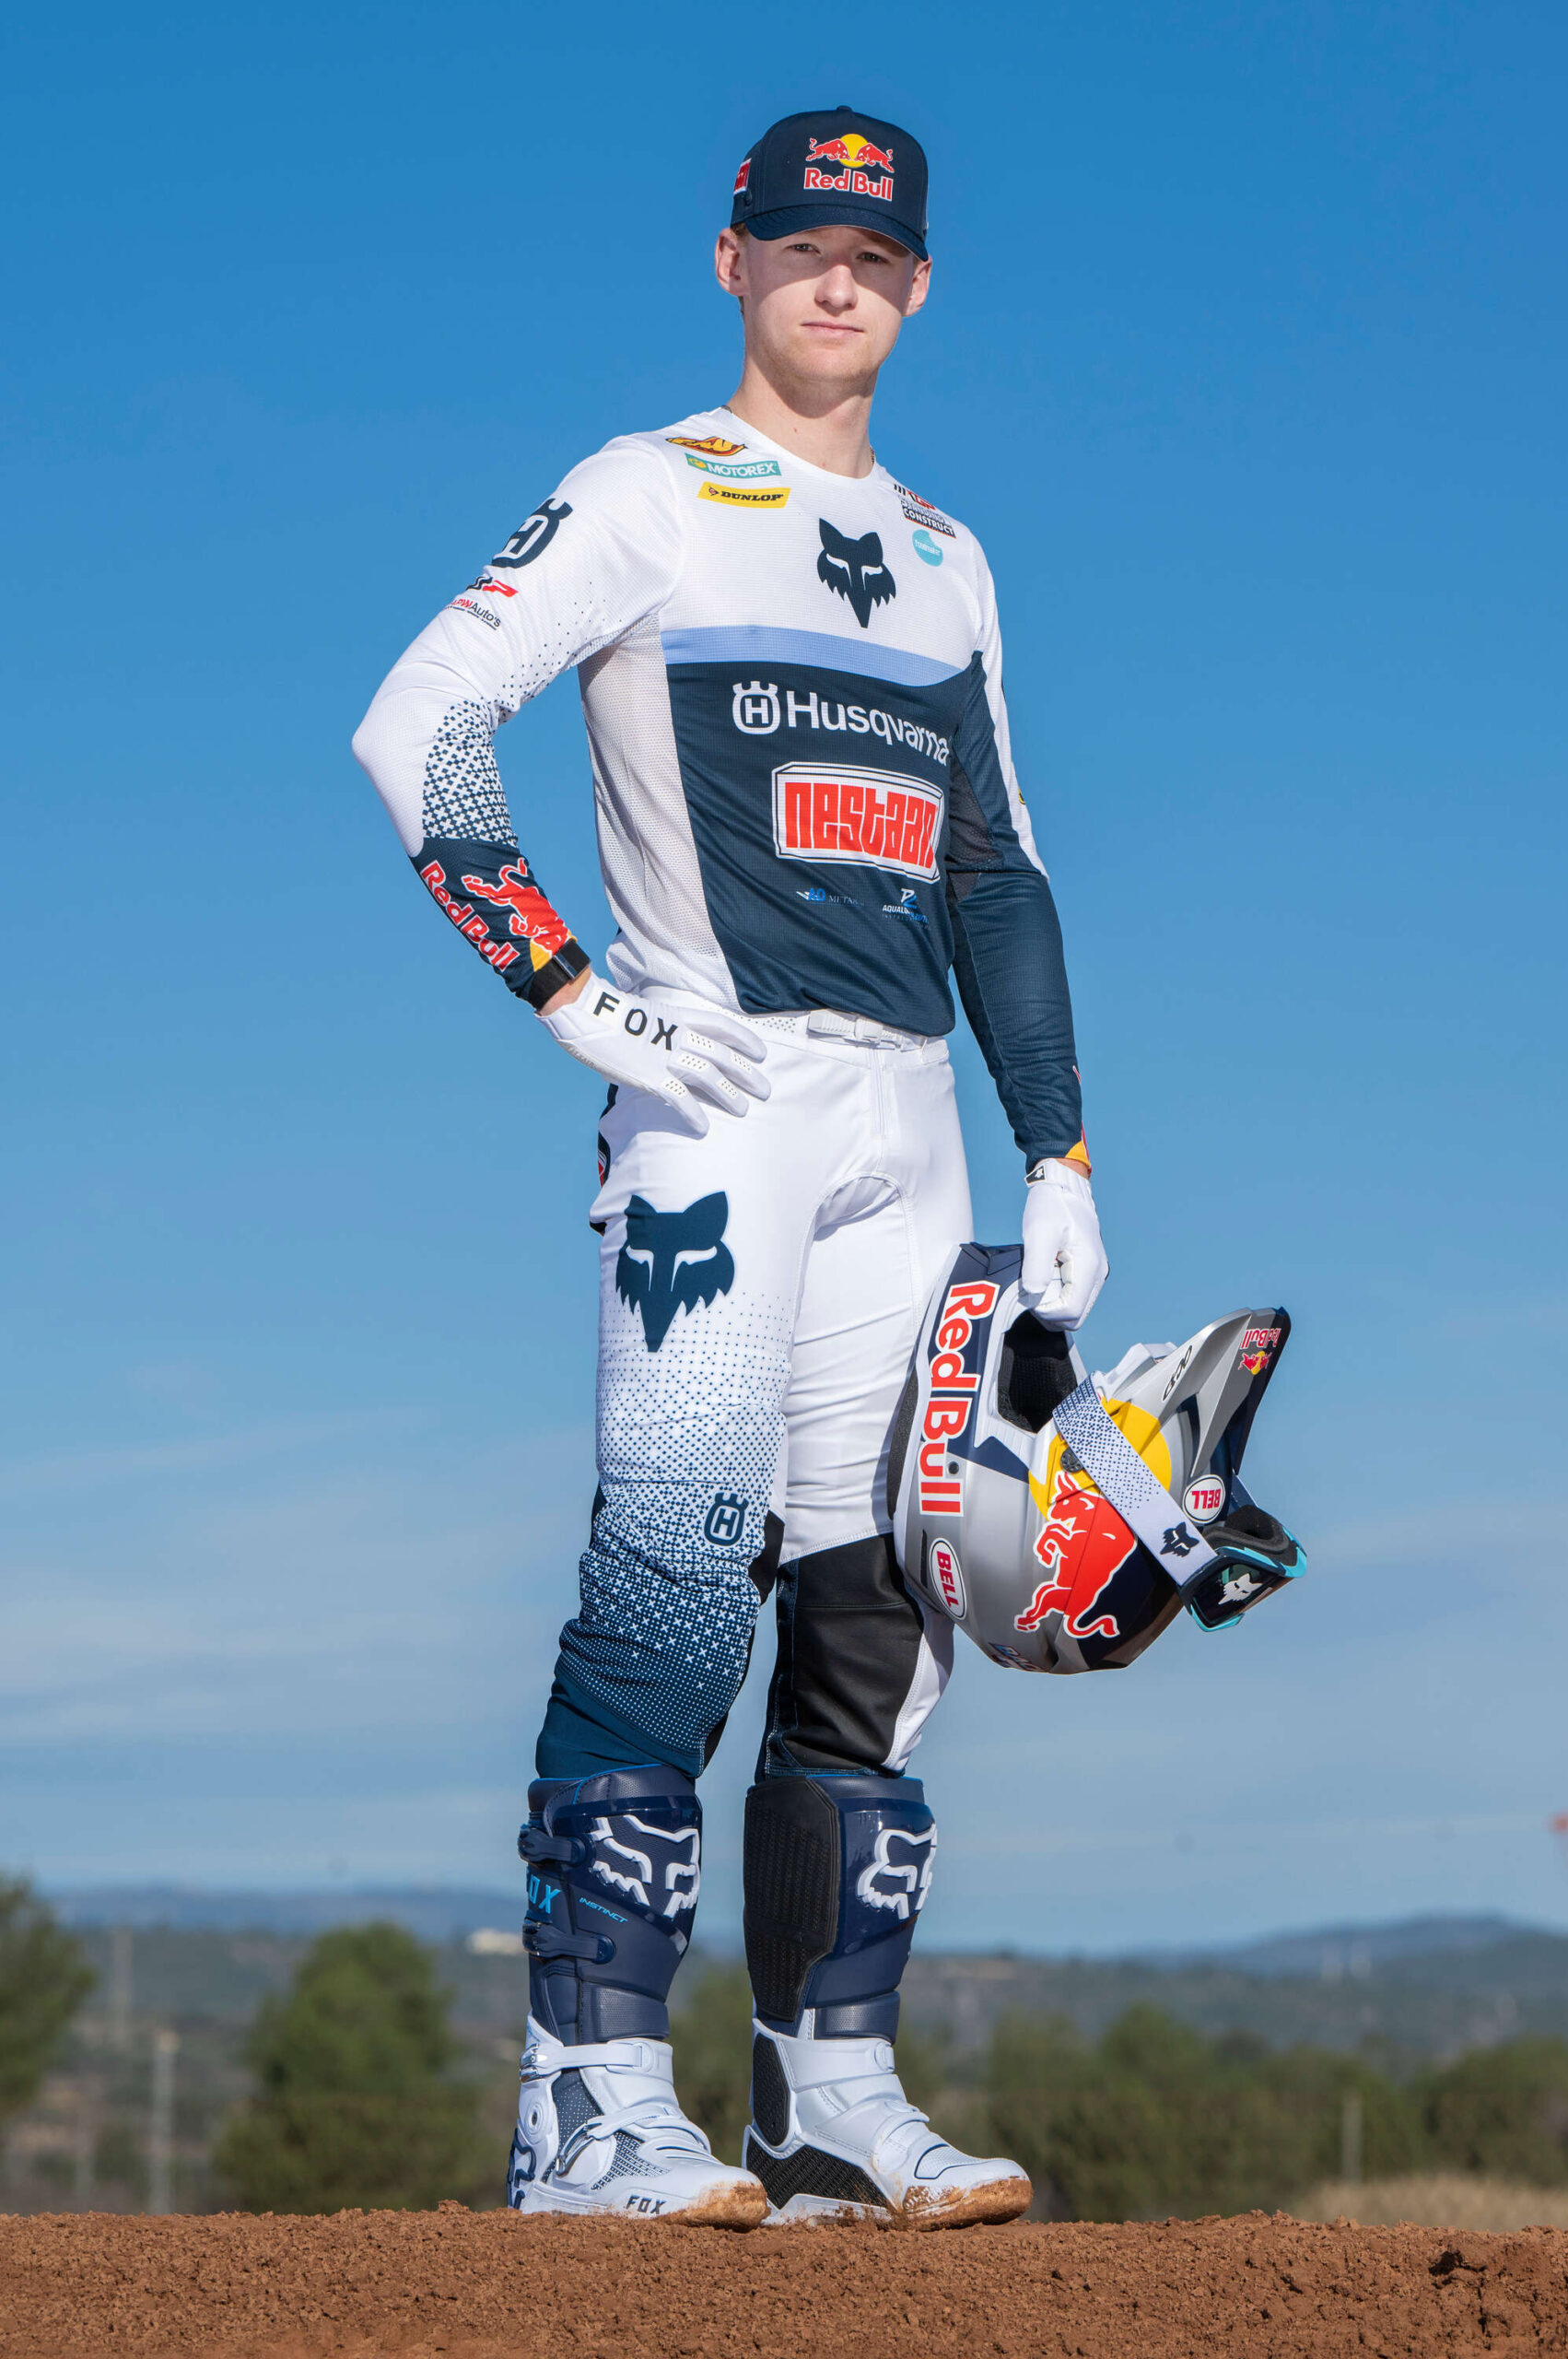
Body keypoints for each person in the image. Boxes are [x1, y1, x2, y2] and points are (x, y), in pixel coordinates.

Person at [353, 105, 1107, 2228]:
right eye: (795, 242)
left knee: (882, 1603)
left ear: (916, 284)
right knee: (675, 1584)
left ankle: (821, 2093)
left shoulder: (949, 556)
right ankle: (587, 2096)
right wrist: (568, 992)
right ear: (732, 261)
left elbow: (996, 867)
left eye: (870, 252)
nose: (832, 277)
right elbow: (419, 720)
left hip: (908, 1119)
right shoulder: (649, 489)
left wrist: (1056, 1145)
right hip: (716, 1109)